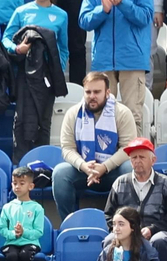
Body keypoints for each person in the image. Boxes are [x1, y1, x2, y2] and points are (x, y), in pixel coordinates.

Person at [52, 72, 137, 221]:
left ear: (107, 92)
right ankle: (69, 223)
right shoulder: (73, 114)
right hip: (85, 170)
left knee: (129, 169)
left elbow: (128, 148)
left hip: (112, 170)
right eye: (88, 92)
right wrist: (83, 166)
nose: (92, 96)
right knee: (60, 173)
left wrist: (104, 167)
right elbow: (67, 148)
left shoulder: (122, 113)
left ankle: (126, 223)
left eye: (97, 92)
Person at [77, 0, 152, 119]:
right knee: (100, 115)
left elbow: (146, 17)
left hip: (132, 60)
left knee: (133, 116)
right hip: (103, 60)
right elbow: (84, 21)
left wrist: (122, 3)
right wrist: (103, 10)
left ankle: (133, 143)